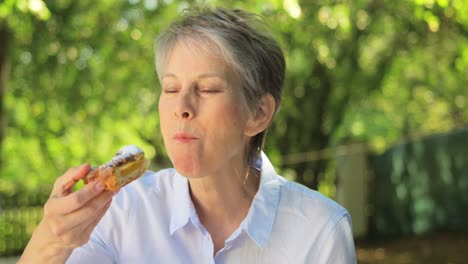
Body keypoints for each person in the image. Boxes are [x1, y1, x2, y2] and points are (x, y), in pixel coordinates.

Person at [19, 7, 356, 263]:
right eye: (170, 87)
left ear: (258, 113)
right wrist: (53, 239)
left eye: (208, 88)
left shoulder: (320, 230)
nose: (182, 106)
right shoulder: (123, 210)